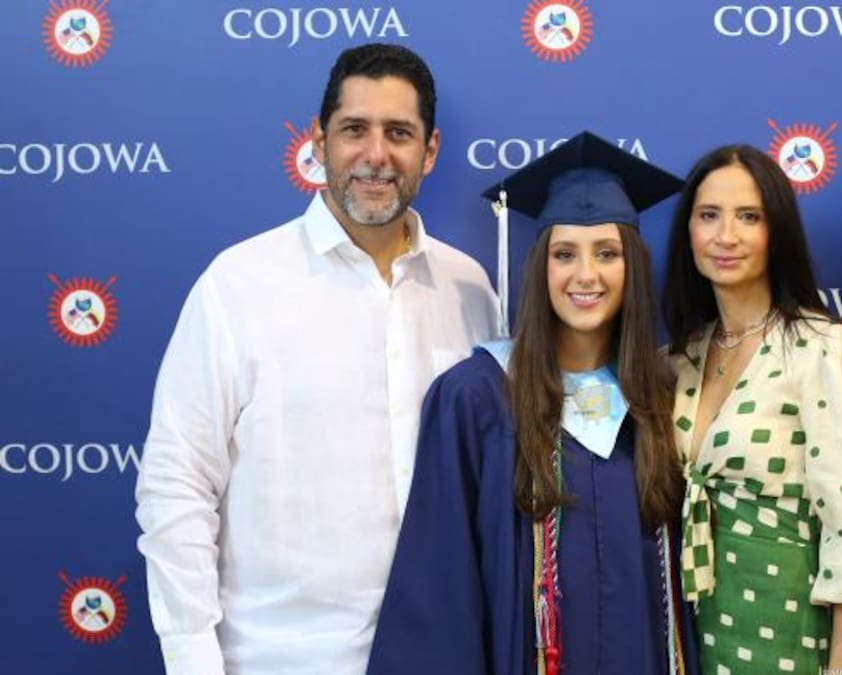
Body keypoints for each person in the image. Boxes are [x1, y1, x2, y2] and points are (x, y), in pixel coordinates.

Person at [134, 43, 500, 675]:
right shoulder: (238, 285)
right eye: (354, 129)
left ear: (430, 150)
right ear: (318, 140)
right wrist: (192, 658)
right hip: (279, 658)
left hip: (445, 654)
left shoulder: (471, 291)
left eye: (399, 133)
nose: (375, 155)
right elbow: (177, 484)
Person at [366, 131, 697, 675]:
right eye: (564, 253)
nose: (585, 275)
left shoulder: (658, 402)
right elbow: (439, 591)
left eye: (607, 254)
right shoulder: (476, 398)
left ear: (631, 268)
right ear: (540, 266)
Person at [662, 144, 842, 675]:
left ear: (779, 233)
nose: (726, 236)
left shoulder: (824, 349)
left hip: (790, 638)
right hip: (694, 636)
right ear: (688, 233)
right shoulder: (680, 360)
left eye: (749, 217)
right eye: (709, 216)